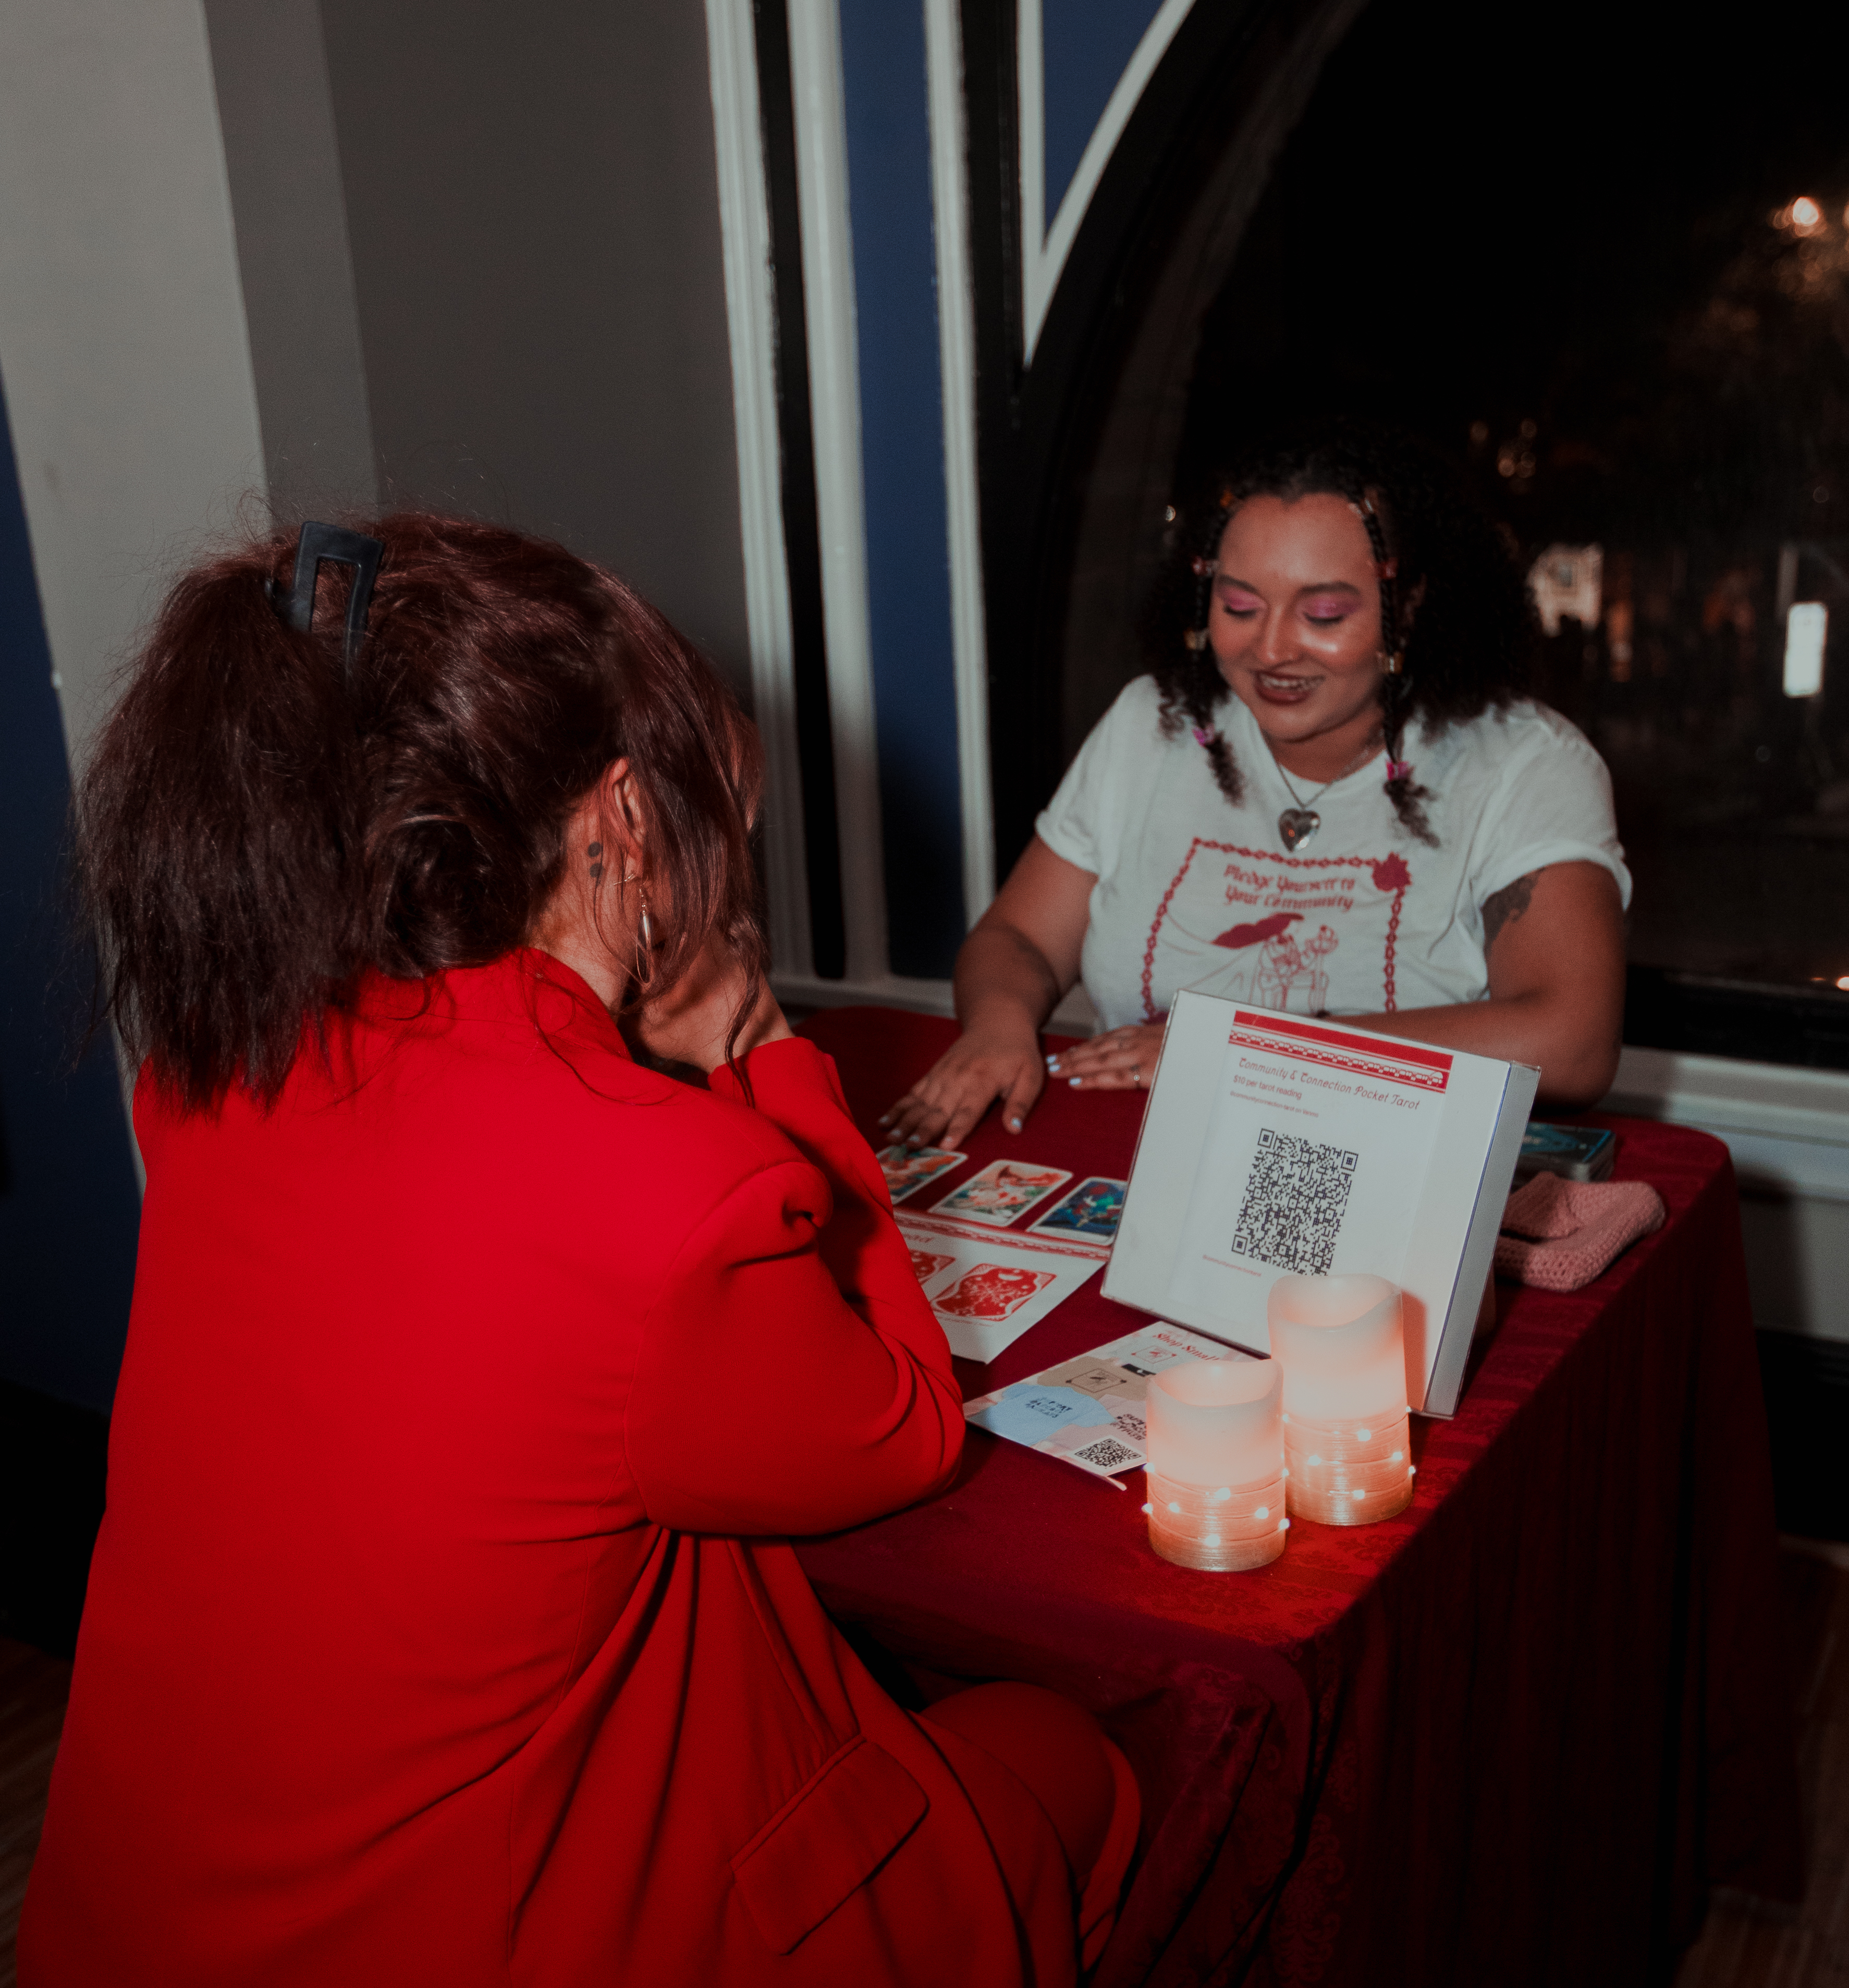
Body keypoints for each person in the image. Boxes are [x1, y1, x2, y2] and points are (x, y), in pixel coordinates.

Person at [21, 516, 1136, 1987]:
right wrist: (757, 1046)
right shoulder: (666, 1186)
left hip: (138, 1918)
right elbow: (901, 1426)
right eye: (719, 830)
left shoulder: (221, 1065)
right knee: (1073, 1759)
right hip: (494, 1930)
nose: (732, 881)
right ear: (617, 824)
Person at [884, 427, 1628, 1153]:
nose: (1271, 648)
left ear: (1410, 605)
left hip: (1373, 1168)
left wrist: (1240, 1051)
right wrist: (999, 1023)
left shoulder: (1522, 763)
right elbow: (1019, 940)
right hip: (1149, 1154)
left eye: (1325, 614)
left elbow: (1573, 1041)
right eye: (1240, 606)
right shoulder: (1154, 723)